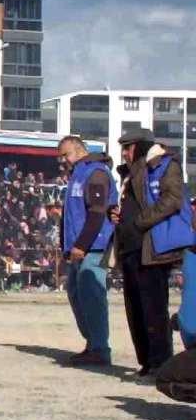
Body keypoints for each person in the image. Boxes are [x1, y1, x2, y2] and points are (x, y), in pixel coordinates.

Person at [109, 129, 192, 382]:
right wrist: (117, 215)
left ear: (141, 146)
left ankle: (161, 366)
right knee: (135, 312)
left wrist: (139, 222)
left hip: (153, 249)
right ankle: (146, 363)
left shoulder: (166, 165)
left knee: (154, 310)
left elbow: (174, 199)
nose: (124, 152)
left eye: (128, 146)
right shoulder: (128, 174)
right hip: (130, 249)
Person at [57, 135, 118, 365]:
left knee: (92, 294)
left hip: (94, 245)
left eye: (66, 154)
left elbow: (97, 213)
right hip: (78, 248)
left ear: (80, 150)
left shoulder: (96, 173)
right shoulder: (77, 174)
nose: (63, 160)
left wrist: (81, 244)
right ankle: (92, 343)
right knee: (76, 292)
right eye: (60, 157)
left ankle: (100, 348)